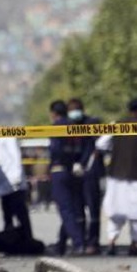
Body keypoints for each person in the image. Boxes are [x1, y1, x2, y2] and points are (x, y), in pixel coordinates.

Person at [96, 98, 137, 256]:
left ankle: (111, 242)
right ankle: (134, 245)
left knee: (115, 211)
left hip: (116, 175)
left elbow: (100, 144)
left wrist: (116, 149)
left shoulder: (116, 125)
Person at [48, 100, 86, 255]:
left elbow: (55, 150)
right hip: (73, 171)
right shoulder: (73, 126)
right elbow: (79, 149)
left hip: (59, 170)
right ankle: (61, 245)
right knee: (70, 209)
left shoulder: (56, 127)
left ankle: (78, 243)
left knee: (66, 210)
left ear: (53, 113)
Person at [67, 98, 104, 255]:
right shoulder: (67, 126)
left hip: (90, 172)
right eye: (72, 109)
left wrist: (86, 163)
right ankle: (80, 241)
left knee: (93, 208)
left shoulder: (91, 123)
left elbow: (98, 145)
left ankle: (93, 242)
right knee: (78, 209)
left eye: (77, 108)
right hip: (74, 173)